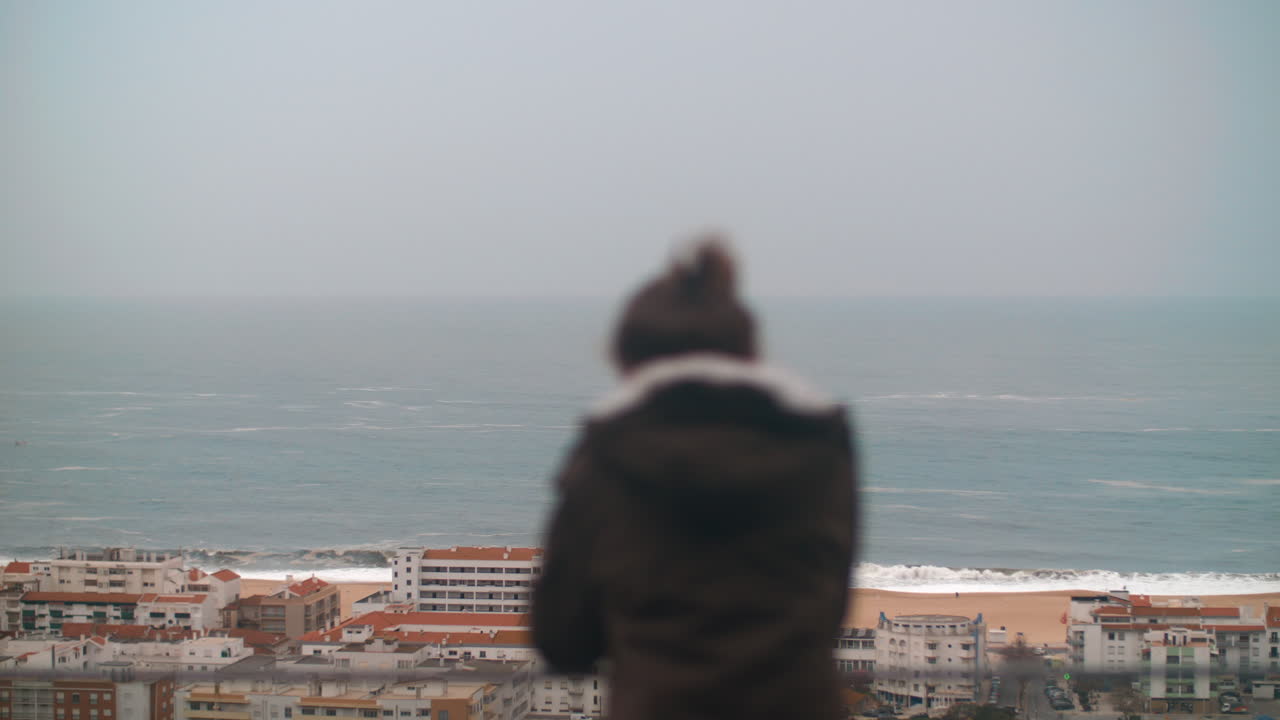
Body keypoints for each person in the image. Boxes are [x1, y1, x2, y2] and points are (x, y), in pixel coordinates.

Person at [532, 238, 858, 720]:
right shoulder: (818, 447)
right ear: (749, 356)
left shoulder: (607, 457)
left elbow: (563, 639)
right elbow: (830, 609)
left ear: (628, 362)